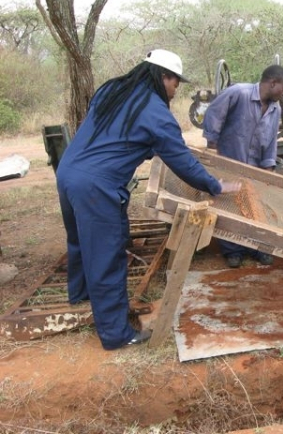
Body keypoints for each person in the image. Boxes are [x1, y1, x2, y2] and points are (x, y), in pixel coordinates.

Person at [56, 49, 240, 350]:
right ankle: (117, 334)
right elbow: (181, 161)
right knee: (107, 255)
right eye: (174, 83)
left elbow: (118, 135)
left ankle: (80, 295)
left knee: (79, 240)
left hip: (68, 172)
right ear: (162, 76)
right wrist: (214, 185)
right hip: (96, 187)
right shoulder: (156, 112)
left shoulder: (113, 89)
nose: (175, 89)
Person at [202, 64, 283, 268]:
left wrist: (268, 165)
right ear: (273, 83)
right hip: (230, 161)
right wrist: (213, 145)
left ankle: (257, 248)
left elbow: (271, 140)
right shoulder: (238, 93)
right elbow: (214, 113)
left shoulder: (276, 108)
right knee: (230, 205)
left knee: (256, 206)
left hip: (256, 166)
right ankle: (233, 251)